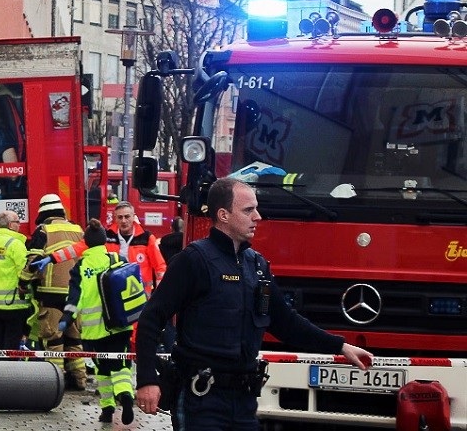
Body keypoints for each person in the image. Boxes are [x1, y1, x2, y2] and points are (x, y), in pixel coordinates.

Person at [134, 178, 374, 430]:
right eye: (248, 210)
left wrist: (340, 346)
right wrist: (147, 380)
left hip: (244, 402)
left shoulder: (256, 265)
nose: (257, 217)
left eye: (256, 209)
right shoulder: (193, 260)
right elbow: (152, 318)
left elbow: (287, 323)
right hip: (202, 400)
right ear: (223, 215)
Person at [61, 219, 138, 425]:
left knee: (102, 369)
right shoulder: (117, 258)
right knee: (121, 364)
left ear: (85, 243)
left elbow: (74, 299)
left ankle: (107, 408)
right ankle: (126, 396)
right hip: (121, 325)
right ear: (104, 241)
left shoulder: (80, 267)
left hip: (94, 331)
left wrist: (66, 319)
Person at [20, 194, 87, 390]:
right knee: (75, 338)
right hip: (77, 293)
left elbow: (33, 261)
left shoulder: (43, 231)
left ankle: (55, 383)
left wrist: (23, 281)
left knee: (54, 339)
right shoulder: (78, 230)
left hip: (51, 294)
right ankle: (80, 379)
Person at [0, 210, 30, 351]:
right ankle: (9, 372)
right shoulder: (15, 244)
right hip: (13, 303)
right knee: (11, 345)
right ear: (10, 225)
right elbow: (25, 272)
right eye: (17, 222)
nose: (19, 225)